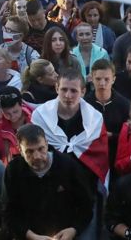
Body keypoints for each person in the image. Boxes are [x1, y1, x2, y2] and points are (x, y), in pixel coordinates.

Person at [31, 69, 109, 238]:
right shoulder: (40, 116)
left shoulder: (95, 119)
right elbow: (32, 156)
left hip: (84, 195)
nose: (68, 95)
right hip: (47, 194)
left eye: (73, 90)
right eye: (64, 89)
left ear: (83, 91)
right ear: (56, 88)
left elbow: (99, 159)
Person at [4, 124, 93, 239]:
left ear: (46, 144)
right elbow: (8, 211)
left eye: (40, 149)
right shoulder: (13, 171)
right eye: (29, 152)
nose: (37, 156)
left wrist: (74, 229)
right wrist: (31, 236)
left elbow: (86, 204)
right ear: (20, 150)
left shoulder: (67, 165)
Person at [0, 86, 33, 165]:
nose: (12, 116)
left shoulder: (34, 117)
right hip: (8, 168)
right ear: (0, 110)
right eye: (7, 113)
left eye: (15, 112)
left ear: (21, 104)